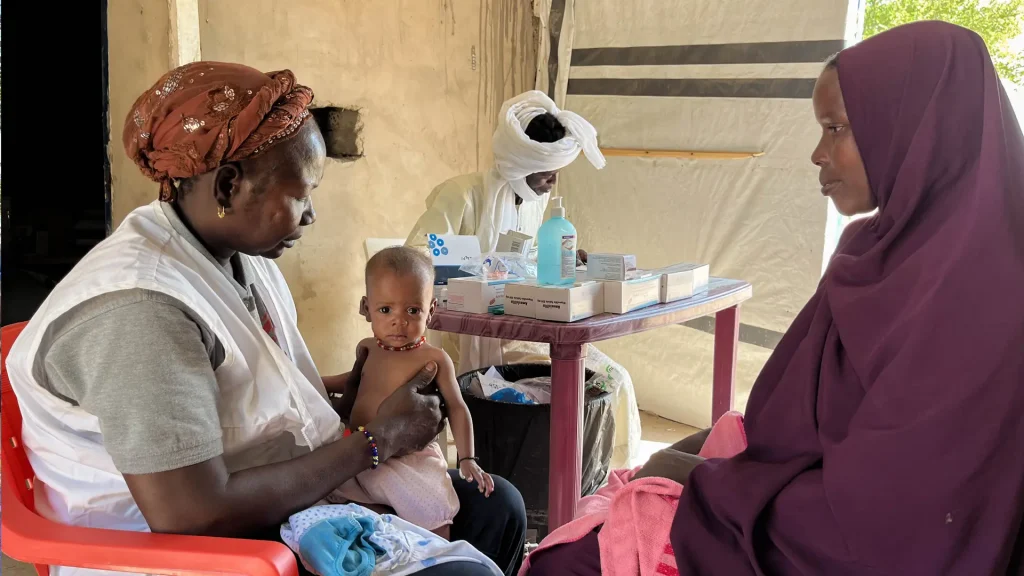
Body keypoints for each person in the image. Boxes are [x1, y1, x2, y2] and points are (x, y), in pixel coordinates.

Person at [525, 21, 1024, 575]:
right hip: (808, 500)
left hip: (851, 544)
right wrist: (701, 465)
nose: (818, 153)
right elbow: (784, 422)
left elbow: (896, 522)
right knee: (600, 521)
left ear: (915, 132)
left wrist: (711, 487)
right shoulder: (870, 252)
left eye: (837, 128)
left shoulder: (986, 298)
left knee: (572, 562)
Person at [5, 62, 526, 576]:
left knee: (497, 507)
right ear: (230, 186)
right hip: (187, 552)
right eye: (301, 193)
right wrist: (377, 440)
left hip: (273, 502)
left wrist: (349, 389)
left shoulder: (239, 258)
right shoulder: (139, 312)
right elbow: (191, 515)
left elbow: (230, 390)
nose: (311, 214)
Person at [406, 90, 643, 469]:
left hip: (525, 320)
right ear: (520, 163)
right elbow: (417, 254)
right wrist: (477, 268)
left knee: (611, 379)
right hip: (469, 329)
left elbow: (525, 258)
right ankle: (551, 473)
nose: (552, 181)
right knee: (584, 382)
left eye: (556, 172)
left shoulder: (534, 202)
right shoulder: (462, 194)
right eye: (546, 171)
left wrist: (562, 261)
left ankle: (600, 475)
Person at [330, 246, 494, 538]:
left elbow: (457, 407)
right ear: (366, 308)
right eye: (385, 309)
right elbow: (352, 381)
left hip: (410, 457)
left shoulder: (433, 359)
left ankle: (439, 554)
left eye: (412, 310)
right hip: (362, 448)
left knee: (432, 505)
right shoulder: (368, 348)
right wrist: (310, 382)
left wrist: (468, 458)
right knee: (336, 490)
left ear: (430, 311)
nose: (399, 320)